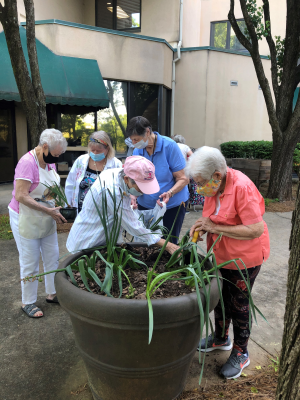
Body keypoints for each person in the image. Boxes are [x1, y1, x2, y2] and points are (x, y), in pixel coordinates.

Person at [187, 146, 270, 380]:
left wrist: (214, 227)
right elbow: (211, 215)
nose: (199, 187)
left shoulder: (242, 187)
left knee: (239, 304)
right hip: (222, 254)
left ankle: (241, 352)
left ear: (217, 175)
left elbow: (255, 229)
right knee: (221, 299)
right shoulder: (213, 187)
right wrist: (203, 226)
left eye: (201, 182)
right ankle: (221, 338)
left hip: (245, 258)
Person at [8, 129, 68, 318]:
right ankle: (28, 301)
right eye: (55, 155)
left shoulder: (50, 164)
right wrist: (47, 210)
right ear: (44, 147)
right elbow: (21, 195)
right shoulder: (27, 163)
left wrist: (58, 206)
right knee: (30, 260)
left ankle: (52, 293)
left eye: (59, 155)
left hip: (46, 215)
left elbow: (50, 190)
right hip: (25, 217)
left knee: (52, 256)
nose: (57, 159)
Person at [66, 156, 179, 255]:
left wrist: (130, 195)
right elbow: (133, 226)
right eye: (140, 188)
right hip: (88, 242)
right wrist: (167, 245)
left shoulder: (116, 173)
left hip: (101, 239)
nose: (143, 192)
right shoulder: (111, 191)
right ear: (127, 179)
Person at [126, 117, 189, 244]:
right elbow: (134, 179)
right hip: (146, 204)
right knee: (146, 244)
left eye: (136, 139)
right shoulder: (138, 150)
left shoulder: (169, 146)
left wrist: (170, 193)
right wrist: (133, 195)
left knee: (168, 243)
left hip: (170, 205)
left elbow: (183, 178)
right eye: (131, 140)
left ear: (147, 132)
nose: (133, 143)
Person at [65, 131, 122, 212]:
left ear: (108, 148)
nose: (95, 153)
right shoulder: (81, 161)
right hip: (81, 212)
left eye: (98, 151)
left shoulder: (116, 165)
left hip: (105, 213)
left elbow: (121, 189)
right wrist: (68, 205)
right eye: (92, 150)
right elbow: (70, 184)